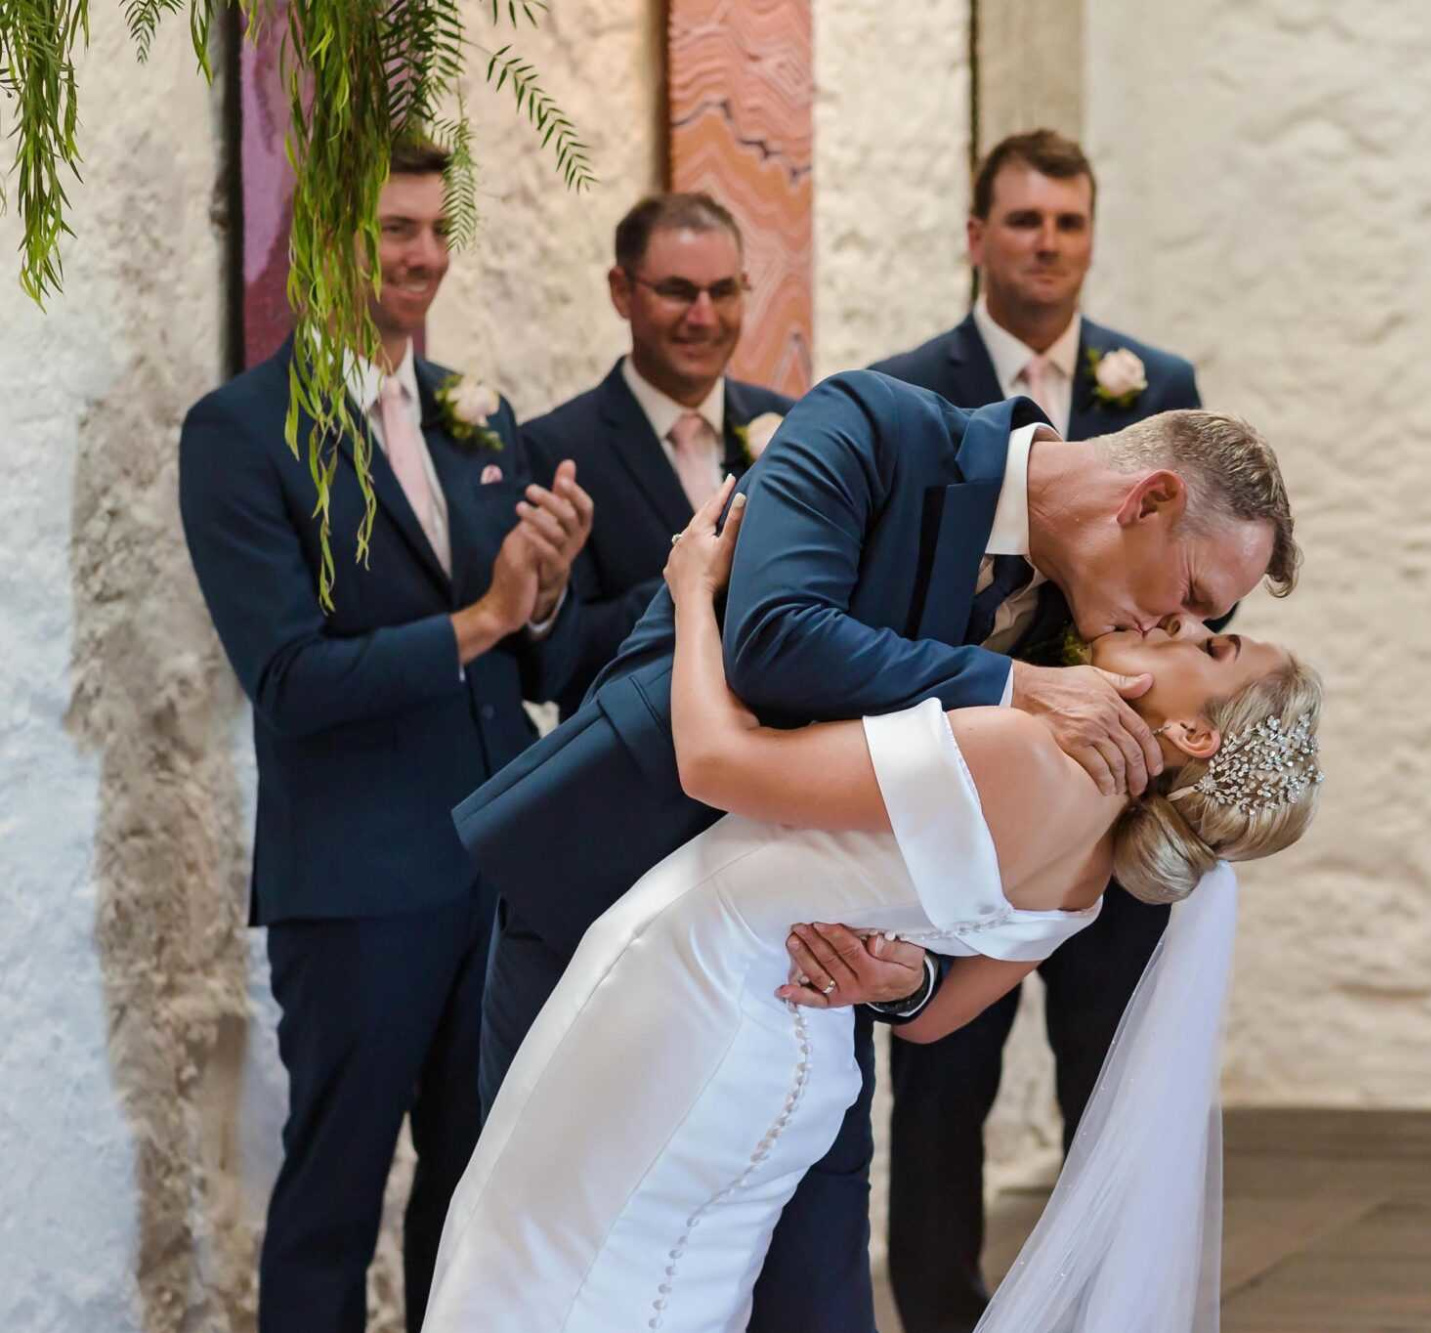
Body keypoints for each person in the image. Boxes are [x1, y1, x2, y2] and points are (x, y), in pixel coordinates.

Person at [452, 367, 1298, 1330]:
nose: (1176, 626)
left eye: (1207, 630)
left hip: (802, 1003)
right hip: (610, 893)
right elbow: (771, 638)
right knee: (555, 1264)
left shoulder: (1098, 655)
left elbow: (956, 890)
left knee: (812, 1304)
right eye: (1192, 596)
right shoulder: (873, 426)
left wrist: (902, 982)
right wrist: (1011, 683)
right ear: (1149, 500)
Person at [177, 139, 592, 1333]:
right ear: (321, 247)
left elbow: (525, 653)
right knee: (333, 1196)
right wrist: (488, 613)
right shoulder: (240, 434)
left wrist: (546, 586)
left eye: (432, 228)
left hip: (498, 862)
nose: (420, 255)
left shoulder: (478, 417)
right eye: (390, 230)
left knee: (480, 1186)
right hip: (354, 881)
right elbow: (291, 679)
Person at [870, 127, 1210, 1331]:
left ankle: (1102, 1306)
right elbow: (900, 592)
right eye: (1023, 221)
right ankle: (937, 1311)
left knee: (1111, 1074)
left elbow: (1194, 592)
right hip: (961, 792)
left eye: (1067, 222)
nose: (1047, 244)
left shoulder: (1155, 385)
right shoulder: (910, 388)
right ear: (976, 238)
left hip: (1115, 803)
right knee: (938, 1081)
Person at [522, 192, 796, 716]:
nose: (704, 316)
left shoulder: (790, 426)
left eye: (723, 291)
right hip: (637, 772)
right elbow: (557, 668)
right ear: (622, 292)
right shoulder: (555, 448)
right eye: (677, 292)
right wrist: (702, 579)